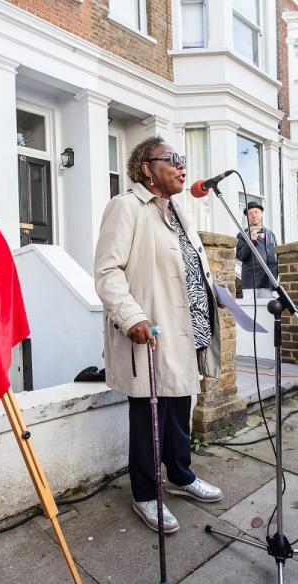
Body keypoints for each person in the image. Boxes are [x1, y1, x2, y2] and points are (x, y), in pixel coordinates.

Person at [94, 136, 223, 533]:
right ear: (147, 168)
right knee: (150, 414)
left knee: (179, 407)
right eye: (173, 160)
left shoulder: (178, 211)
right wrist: (130, 315)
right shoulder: (126, 207)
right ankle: (146, 494)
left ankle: (181, 476)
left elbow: (186, 264)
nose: (182, 166)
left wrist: (214, 288)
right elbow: (107, 271)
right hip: (151, 329)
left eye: (183, 160)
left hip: (188, 327)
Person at [235, 200, 278, 292]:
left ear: (261, 214)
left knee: (270, 306)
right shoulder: (242, 235)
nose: (253, 215)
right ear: (247, 217)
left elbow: (277, 254)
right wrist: (251, 241)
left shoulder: (271, 234)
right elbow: (241, 256)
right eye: (250, 214)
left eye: (256, 212)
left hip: (271, 281)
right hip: (252, 281)